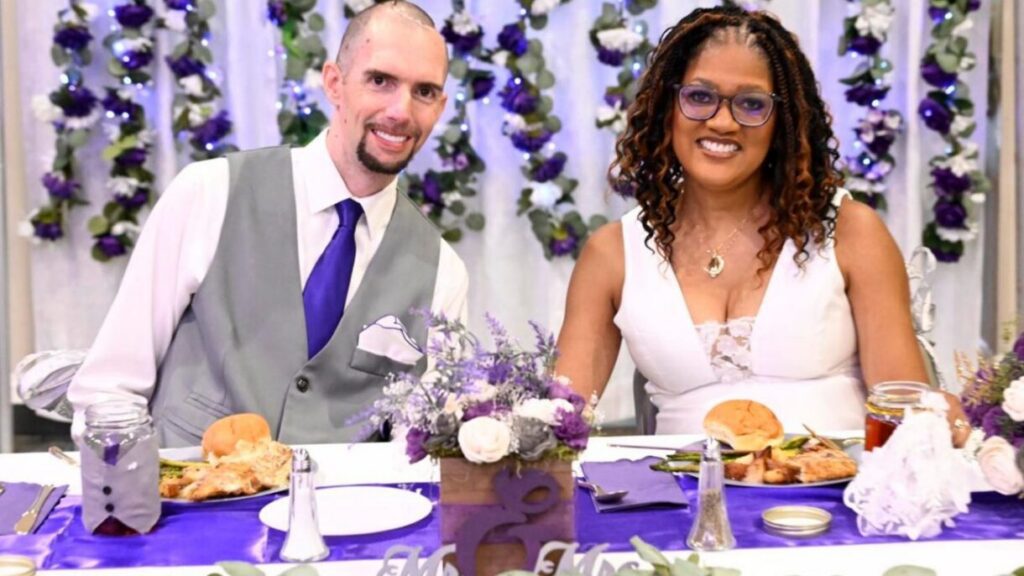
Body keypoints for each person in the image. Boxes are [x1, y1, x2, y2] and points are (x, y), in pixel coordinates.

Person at [555, 6, 970, 444]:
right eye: (700, 96)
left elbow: (903, 405)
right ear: (666, 107)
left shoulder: (851, 231)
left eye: (752, 104)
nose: (722, 121)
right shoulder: (612, 254)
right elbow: (557, 425)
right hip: (682, 487)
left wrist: (942, 418)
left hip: (839, 484)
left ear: (783, 122)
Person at [68, 1, 468, 446]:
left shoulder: (442, 271)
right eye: (380, 81)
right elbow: (109, 389)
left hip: (350, 492)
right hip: (188, 483)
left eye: (424, 91)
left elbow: (420, 444)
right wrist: (129, 481)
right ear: (334, 83)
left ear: (440, 107)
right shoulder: (210, 192)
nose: (401, 111)